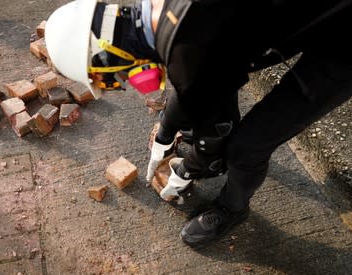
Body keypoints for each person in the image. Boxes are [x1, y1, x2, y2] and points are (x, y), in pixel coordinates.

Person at [45, 0, 352, 245]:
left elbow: (212, 137)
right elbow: (192, 79)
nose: (122, 83)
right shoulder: (159, 13)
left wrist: (188, 168)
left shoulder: (190, 58)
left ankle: (233, 208)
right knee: (212, 99)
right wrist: (165, 131)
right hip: (301, 13)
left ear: (107, 53)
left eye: (110, 79)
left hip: (342, 40)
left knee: (247, 147)